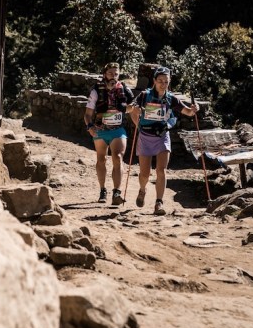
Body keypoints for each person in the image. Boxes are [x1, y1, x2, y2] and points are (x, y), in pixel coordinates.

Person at [127, 66, 199, 215]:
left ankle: (158, 203)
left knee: (161, 170)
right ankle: (142, 190)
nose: (163, 84)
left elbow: (188, 112)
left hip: (162, 136)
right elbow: (131, 109)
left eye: (166, 81)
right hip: (145, 136)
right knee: (144, 174)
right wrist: (138, 123)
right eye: (160, 81)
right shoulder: (144, 95)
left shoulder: (171, 98)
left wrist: (194, 109)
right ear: (154, 81)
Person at [84, 62, 134, 205]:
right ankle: (102, 190)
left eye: (116, 74)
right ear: (105, 74)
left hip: (118, 129)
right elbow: (87, 114)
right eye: (110, 73)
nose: (113, 76)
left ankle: (116, 192)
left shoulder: (124, 88)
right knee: (101, 159)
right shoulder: (96, 90)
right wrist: (89, 126)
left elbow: (132, 106)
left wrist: (126, 108)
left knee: (117, 157)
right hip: (100, 129)